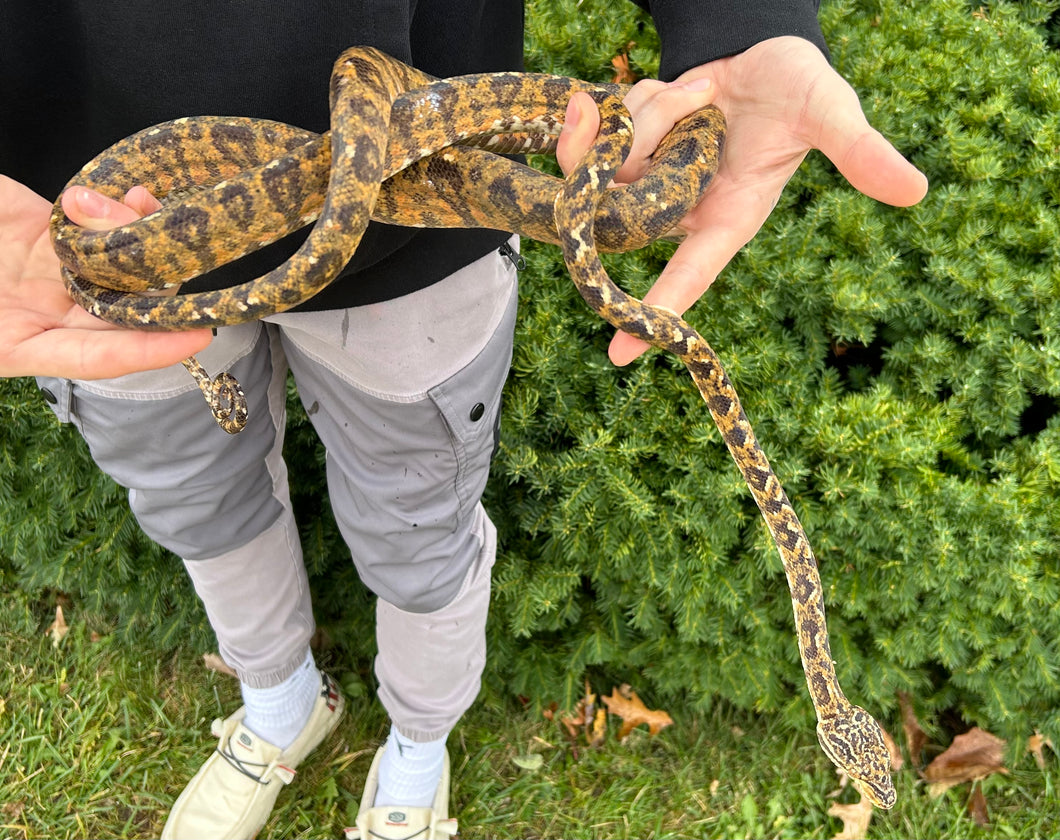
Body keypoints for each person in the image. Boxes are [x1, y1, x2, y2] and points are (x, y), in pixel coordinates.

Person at [0, 1, 928, 838]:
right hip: (77, 234)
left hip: (412, 262)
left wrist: (739, 19)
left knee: (420, 530)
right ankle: (278, 702)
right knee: (192, 494)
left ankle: (418, 739)